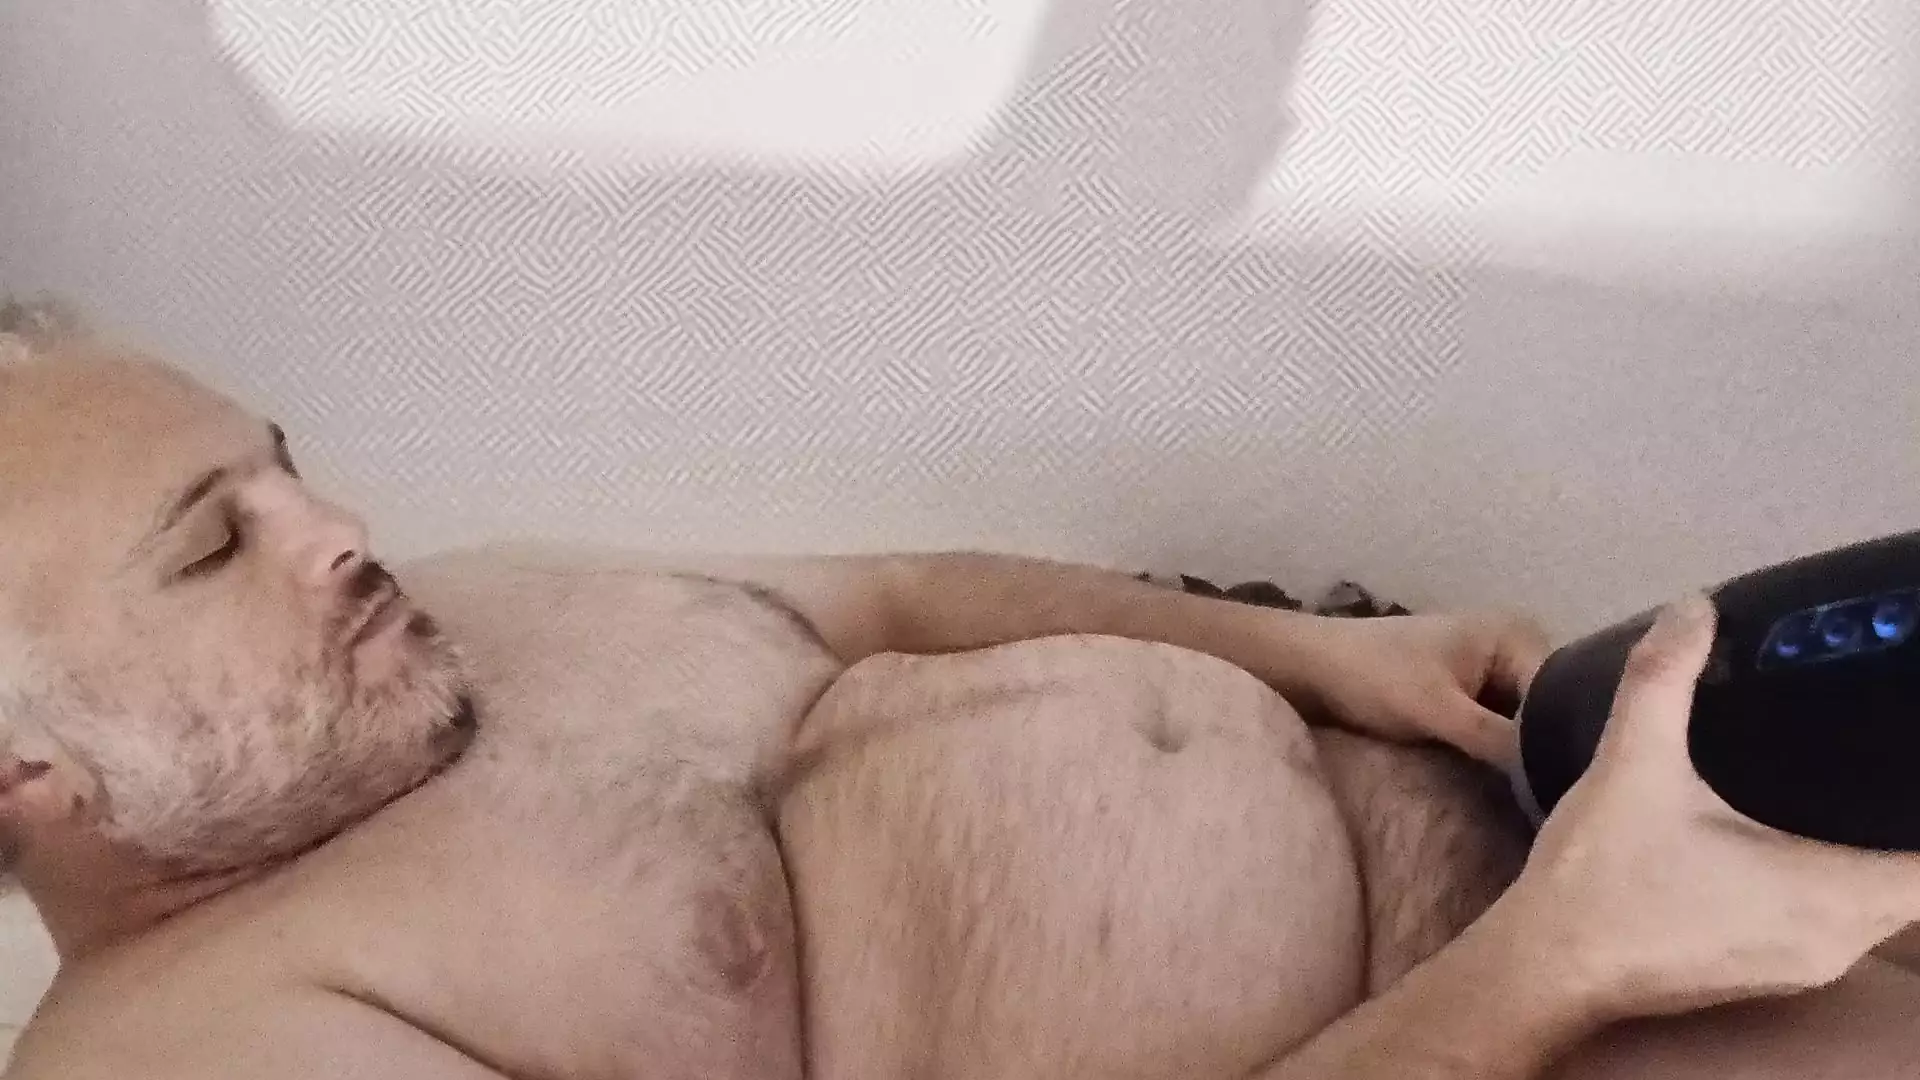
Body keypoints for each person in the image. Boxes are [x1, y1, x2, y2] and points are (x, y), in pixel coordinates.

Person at [2, 307, 1919, 1080]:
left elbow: (893, 595)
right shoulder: (191, 1054)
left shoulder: (443, 624)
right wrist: (1551, 970)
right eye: (213, 544)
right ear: (22, 765)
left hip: (1575, 833)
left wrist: (1329, 655)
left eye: (280, 468)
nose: (338, 529)